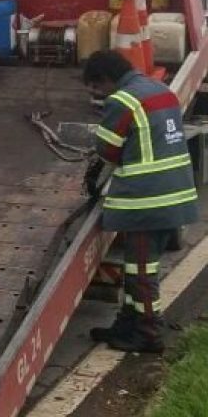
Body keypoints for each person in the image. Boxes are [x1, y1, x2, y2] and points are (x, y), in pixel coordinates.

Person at [83, 50, 198, 353]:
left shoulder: (122, 100)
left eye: (96, 88)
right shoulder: (162, 91)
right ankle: (127, 323)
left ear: (106, 79)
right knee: (138, 269)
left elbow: (108, 149)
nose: (97, 95)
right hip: (175, 193)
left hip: (147, 199)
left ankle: (148, 333)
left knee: (141, 273)